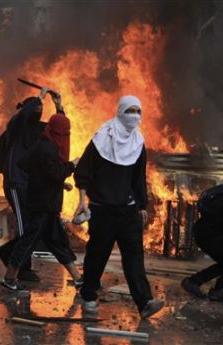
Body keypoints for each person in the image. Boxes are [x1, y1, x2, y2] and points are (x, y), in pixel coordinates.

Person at [73, 95, 164, 319]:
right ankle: (88, 296)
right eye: (129, 111)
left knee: (134, 256)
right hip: (102, 210)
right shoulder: (101, 139)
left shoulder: (138, 143)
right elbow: (83, 172)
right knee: (97, 255)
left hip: (128, 211)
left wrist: (142, 205)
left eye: (137, 111)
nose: (134, 116)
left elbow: (138, 178)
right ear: (120, 111)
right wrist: (82, 201)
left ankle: (144, 302)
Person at [1, 92, 82, 291]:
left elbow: (36, 168)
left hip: (47, 203)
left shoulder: (43, 140)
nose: (65, 138)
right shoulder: (25, 134)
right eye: (35, 109)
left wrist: (59, 106)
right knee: (27, 239)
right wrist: (71, 166)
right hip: (40, 203)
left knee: (57, 242)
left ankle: (79, 279)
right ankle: (10, 277)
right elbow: (52, 171)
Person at [0, 88, 52, 282]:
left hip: (31, 185)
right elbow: (0, 166)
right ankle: (22, 269)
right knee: (24, 227)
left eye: (41, 108)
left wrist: (59, 106)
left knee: (33, 227)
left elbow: (59, 129)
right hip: (16, 184)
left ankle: (8, 253)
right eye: (36, 108)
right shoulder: (14, 129)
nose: (39, 111)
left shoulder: (39, 130)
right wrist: (40, 96)